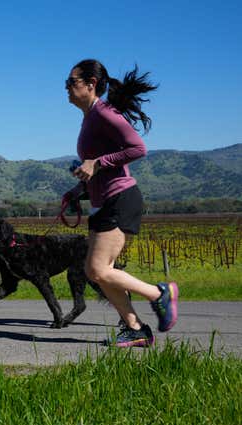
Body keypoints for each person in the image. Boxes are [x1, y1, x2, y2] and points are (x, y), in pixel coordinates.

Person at [63, 59, 178, 347]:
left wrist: (97, 163)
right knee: (100, 273)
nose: (66, 88)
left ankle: (159, 294)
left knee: (98, 270)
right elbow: (97, 168)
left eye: (71, 82)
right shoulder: (90, 117)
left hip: (120, 198)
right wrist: (79, 189)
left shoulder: (104, 113)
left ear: (90, 84)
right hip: (103, 201)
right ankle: (135, 329)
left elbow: (138, 148)